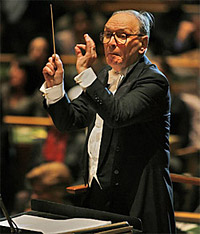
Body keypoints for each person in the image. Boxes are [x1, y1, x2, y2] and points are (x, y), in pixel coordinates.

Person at [41, 10, 176, 233]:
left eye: (121, 36)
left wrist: (86, 73)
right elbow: (71, 120)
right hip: (100, 197)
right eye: (107, 35)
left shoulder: (153, 81)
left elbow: (117, 115)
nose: (111, 43)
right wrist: (56, 88)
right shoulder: (103, 76)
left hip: (139, 201)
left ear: (143, 44)